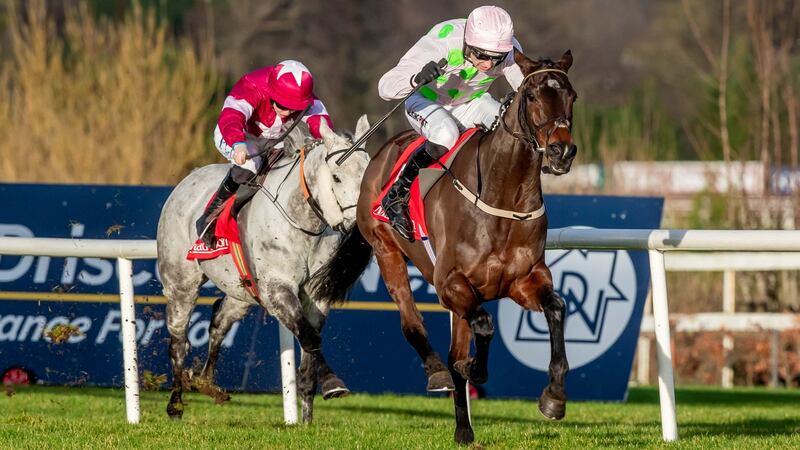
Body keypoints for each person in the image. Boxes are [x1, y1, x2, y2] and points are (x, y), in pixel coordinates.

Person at [377, 5, 526, 242]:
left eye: (496, 58)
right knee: (446, 134)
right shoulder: (442, 41)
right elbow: (385, 87)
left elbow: (525, 89)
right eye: (482, 56)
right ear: (468, 43)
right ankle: (397, 194)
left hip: (470, 102)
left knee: (511, 130)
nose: (488, 65)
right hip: (424, 100)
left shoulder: (508, 50)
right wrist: (415, 79)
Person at [196, 60, 334, 246]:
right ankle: (210, 217)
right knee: (250, 165)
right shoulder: (251, 86)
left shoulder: (305, 97)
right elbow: (231, 117)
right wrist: (238, 144)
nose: (288, 112)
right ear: (271, 92)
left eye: (294, 107)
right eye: (283, 105)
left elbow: (322, 124)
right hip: (237, 134)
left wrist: (330, 141)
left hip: (273, 140)